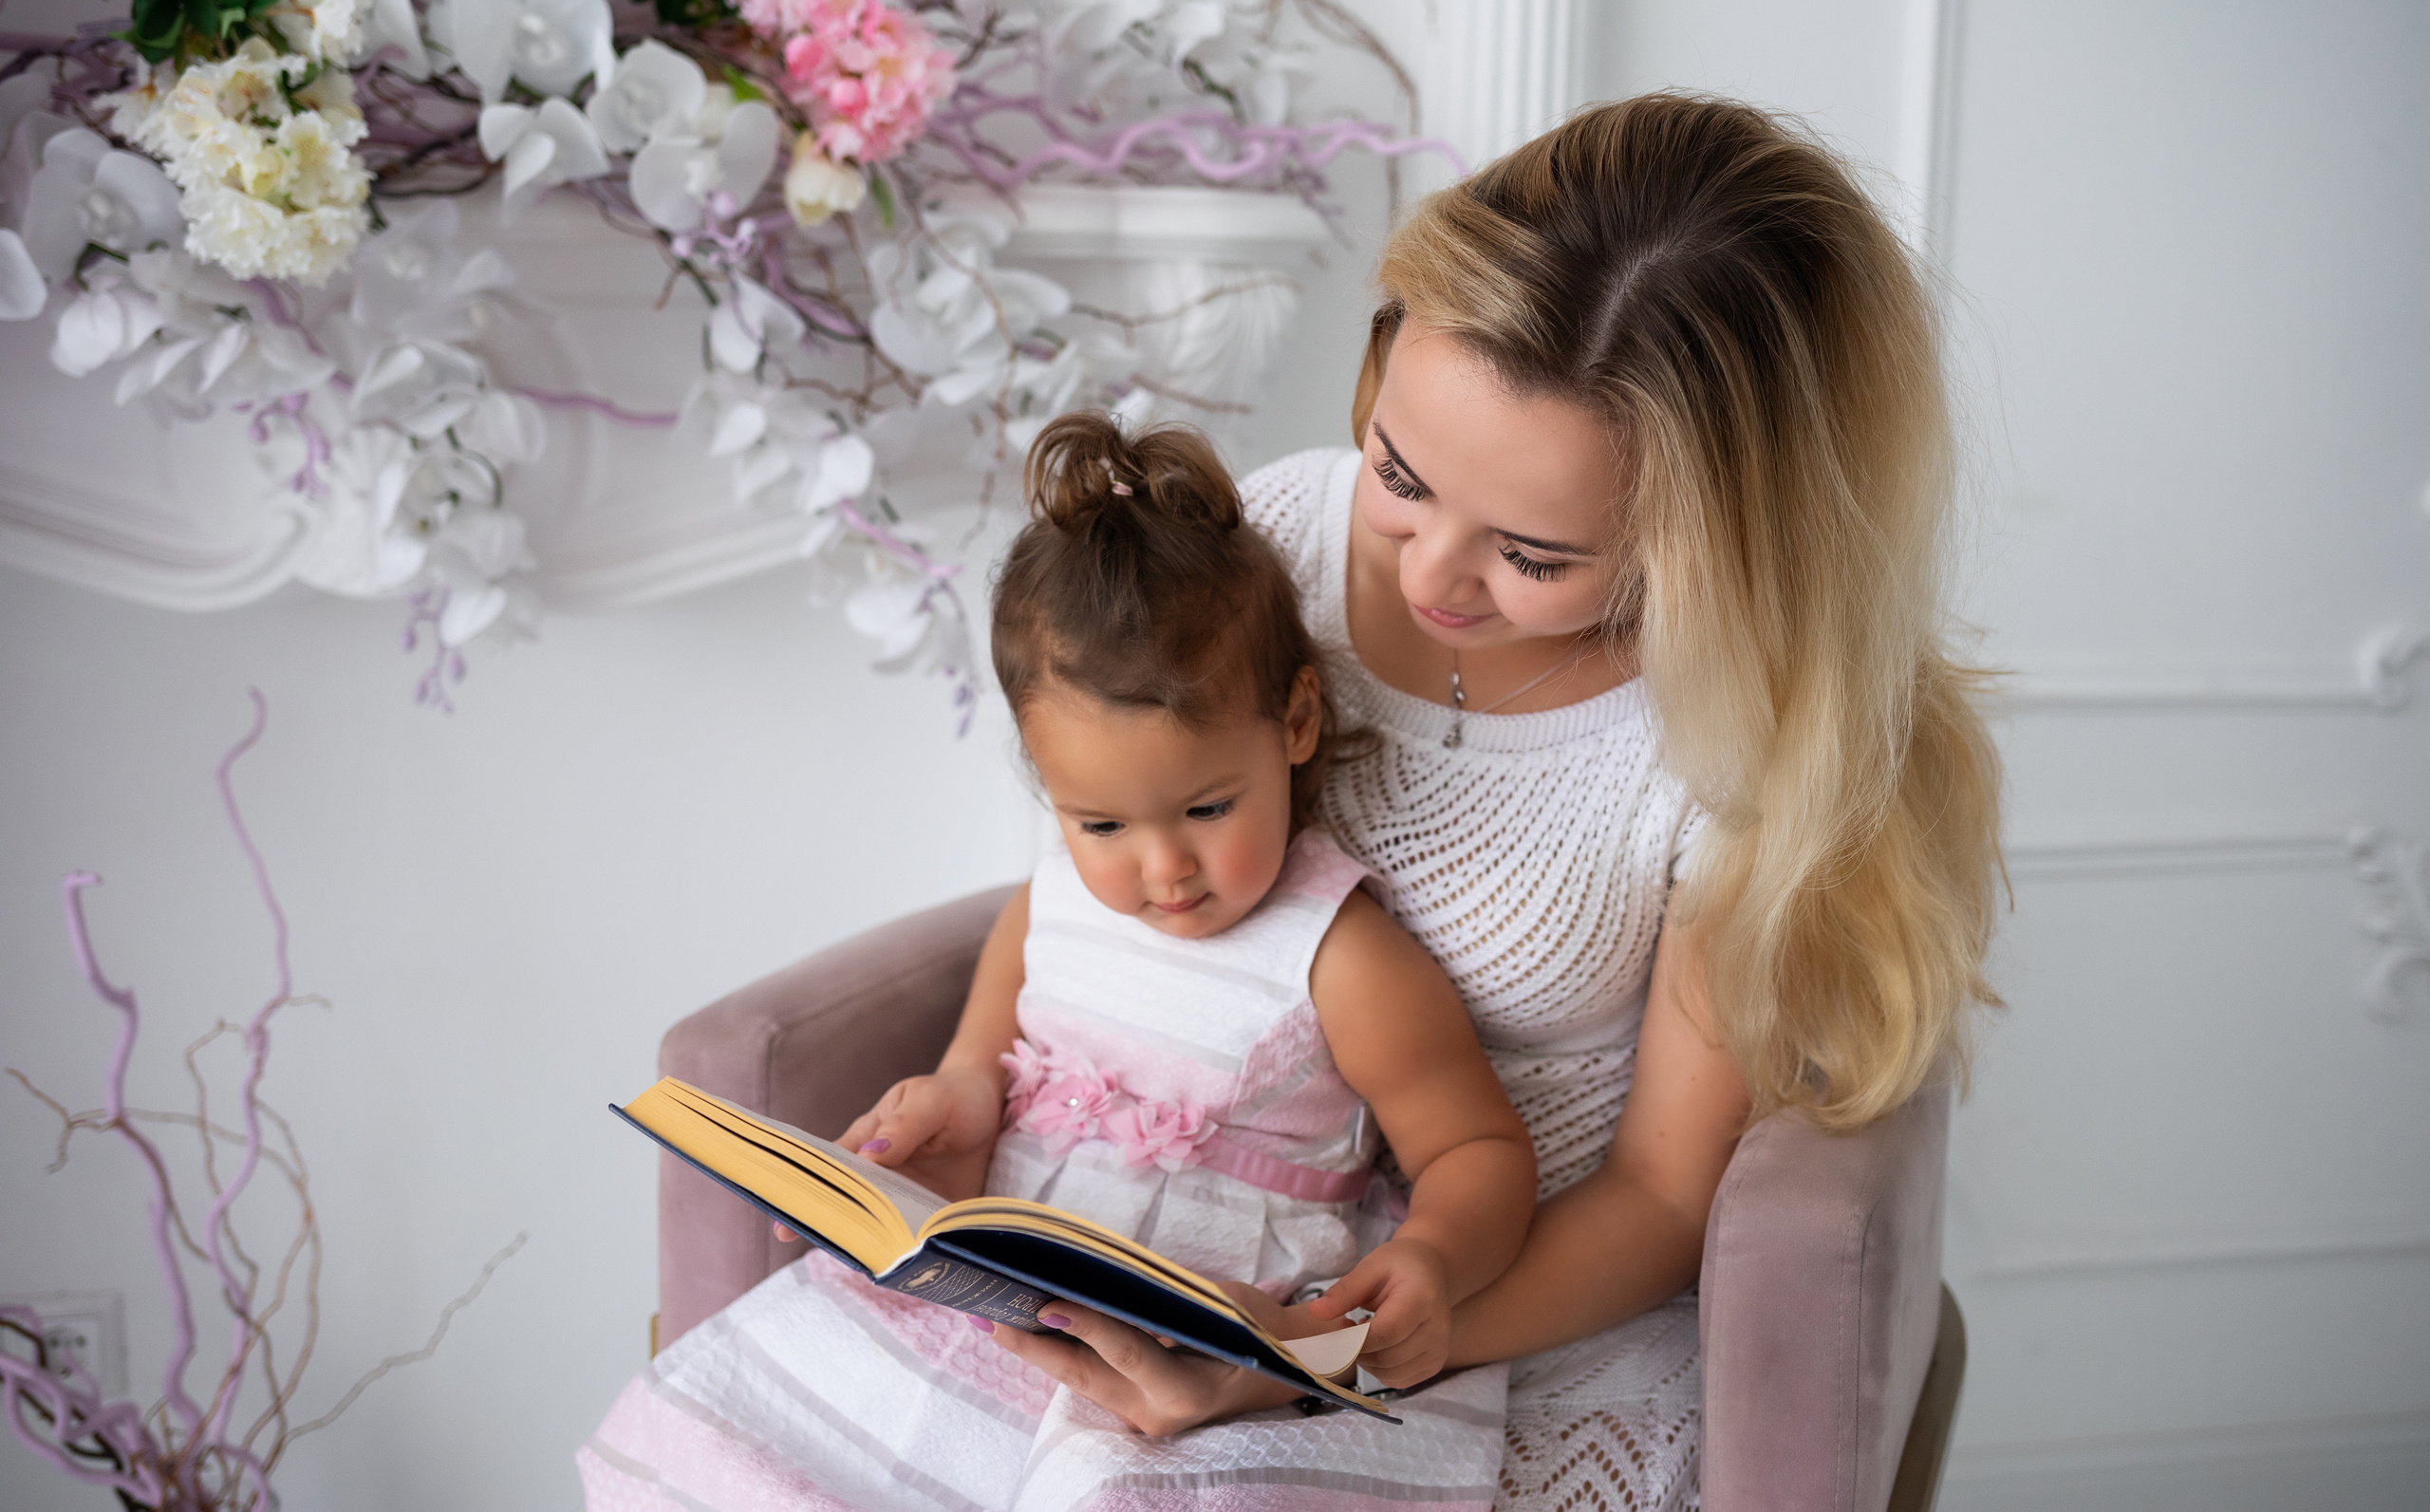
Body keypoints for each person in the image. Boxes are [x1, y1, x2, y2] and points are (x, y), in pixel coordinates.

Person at [970, 94, 2006, 1509]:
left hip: (1501, 1315)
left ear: (1710, 542)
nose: (1430, 574)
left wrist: (1324, 1346)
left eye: (1532, 552)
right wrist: (981, 1077)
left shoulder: (1723, 752)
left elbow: (1655, 1197)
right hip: (1182, 1235)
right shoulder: (1272, 536)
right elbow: (1091, 857)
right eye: (1401, 472)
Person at [580, 414, 1541, 1511]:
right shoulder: (1054, 901)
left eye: (1206, 808)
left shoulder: (1338, 953)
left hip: (1212, 1344)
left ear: (1297, 722)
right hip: (1012, 1309)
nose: (1163, 868)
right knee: (756, 1435)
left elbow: (1475, 1145)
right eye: (1101, 826)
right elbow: (989, 1050)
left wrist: (1433, 1262)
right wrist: (955, 1094)